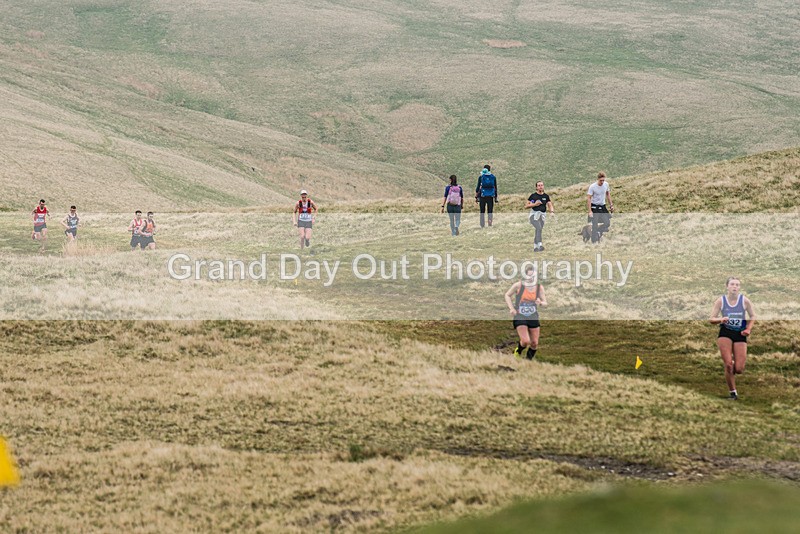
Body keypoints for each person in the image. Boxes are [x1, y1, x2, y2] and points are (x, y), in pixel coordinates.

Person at [710, 277, 756, 400]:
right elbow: (711, 319)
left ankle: (732, 365)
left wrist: (748, 329)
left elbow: (752, 316)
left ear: (739, 287)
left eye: (737, 285)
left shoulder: (744, 301)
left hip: (740, 334)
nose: (734, 287)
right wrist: (721, 319)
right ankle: (733, 393)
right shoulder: (721, 301)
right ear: (727, 286)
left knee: (739, 369)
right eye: (732, 284)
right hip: (725, 333)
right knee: (729, 365)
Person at [505, 263, 547, 360]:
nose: (531, 278)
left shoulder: (539, 287)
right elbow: (507, 295)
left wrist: (540, 303)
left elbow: (545, 303)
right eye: (529, 276)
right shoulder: (519, 285)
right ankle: (518, 351)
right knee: (525, 341)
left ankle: (527, 362)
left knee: (534, 343)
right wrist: (511, 308)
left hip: (533, 316)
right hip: (520, 315)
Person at [526, 180, 555, 252]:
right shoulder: (533, 196)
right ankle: (540, 244)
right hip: (534, 215)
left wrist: (552, 212)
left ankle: (535, 247)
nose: (540, 187)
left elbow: (550, 205)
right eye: (539, 185)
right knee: (538, 228)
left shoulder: (546, 196)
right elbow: (526, 206)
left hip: (542, 216)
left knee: (539, 230)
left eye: (541, 185)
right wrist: (535, 204)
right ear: (536, 187)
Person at [586, 172, 614, 243]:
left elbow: (608, 194)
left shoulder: (606, 184)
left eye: (603, 180)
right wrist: (590, 211)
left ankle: (598, 231)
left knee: (607, 223)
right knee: (594, 225)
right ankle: (594, 241)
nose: (602, 182)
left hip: (602, 206)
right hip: (594, 207)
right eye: (600, 180)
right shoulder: (592, 187)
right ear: (598, 179)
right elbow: (589, 198)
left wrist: (611, 205)